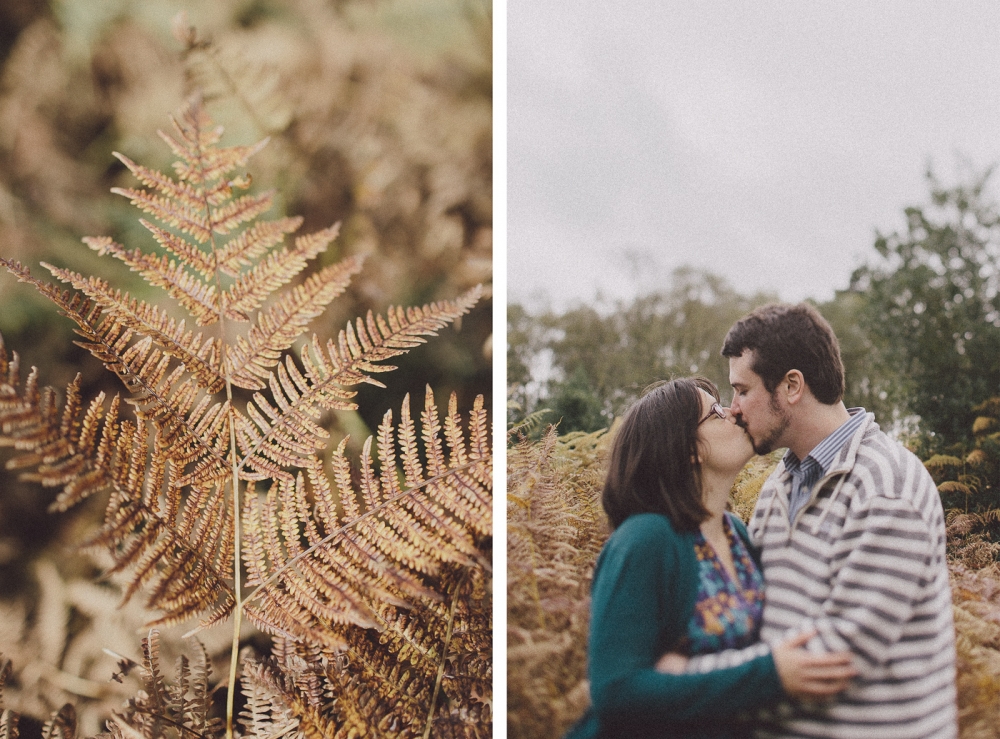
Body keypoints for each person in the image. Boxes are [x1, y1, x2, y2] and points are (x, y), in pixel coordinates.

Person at [671, 303, 957, 738]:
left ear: (791, 386)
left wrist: (681, 679)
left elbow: (838, 660)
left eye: (742, 390)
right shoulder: (777, 488)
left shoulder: (887, 486)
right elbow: (762, 630)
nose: (732, 410)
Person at [565, 377, 856, 739]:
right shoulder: (645, 541)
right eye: (716, 412)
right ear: (690, 448)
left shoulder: (738, 535)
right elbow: (615, 692)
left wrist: (688, 670)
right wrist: (768, 676)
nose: (734, 411)